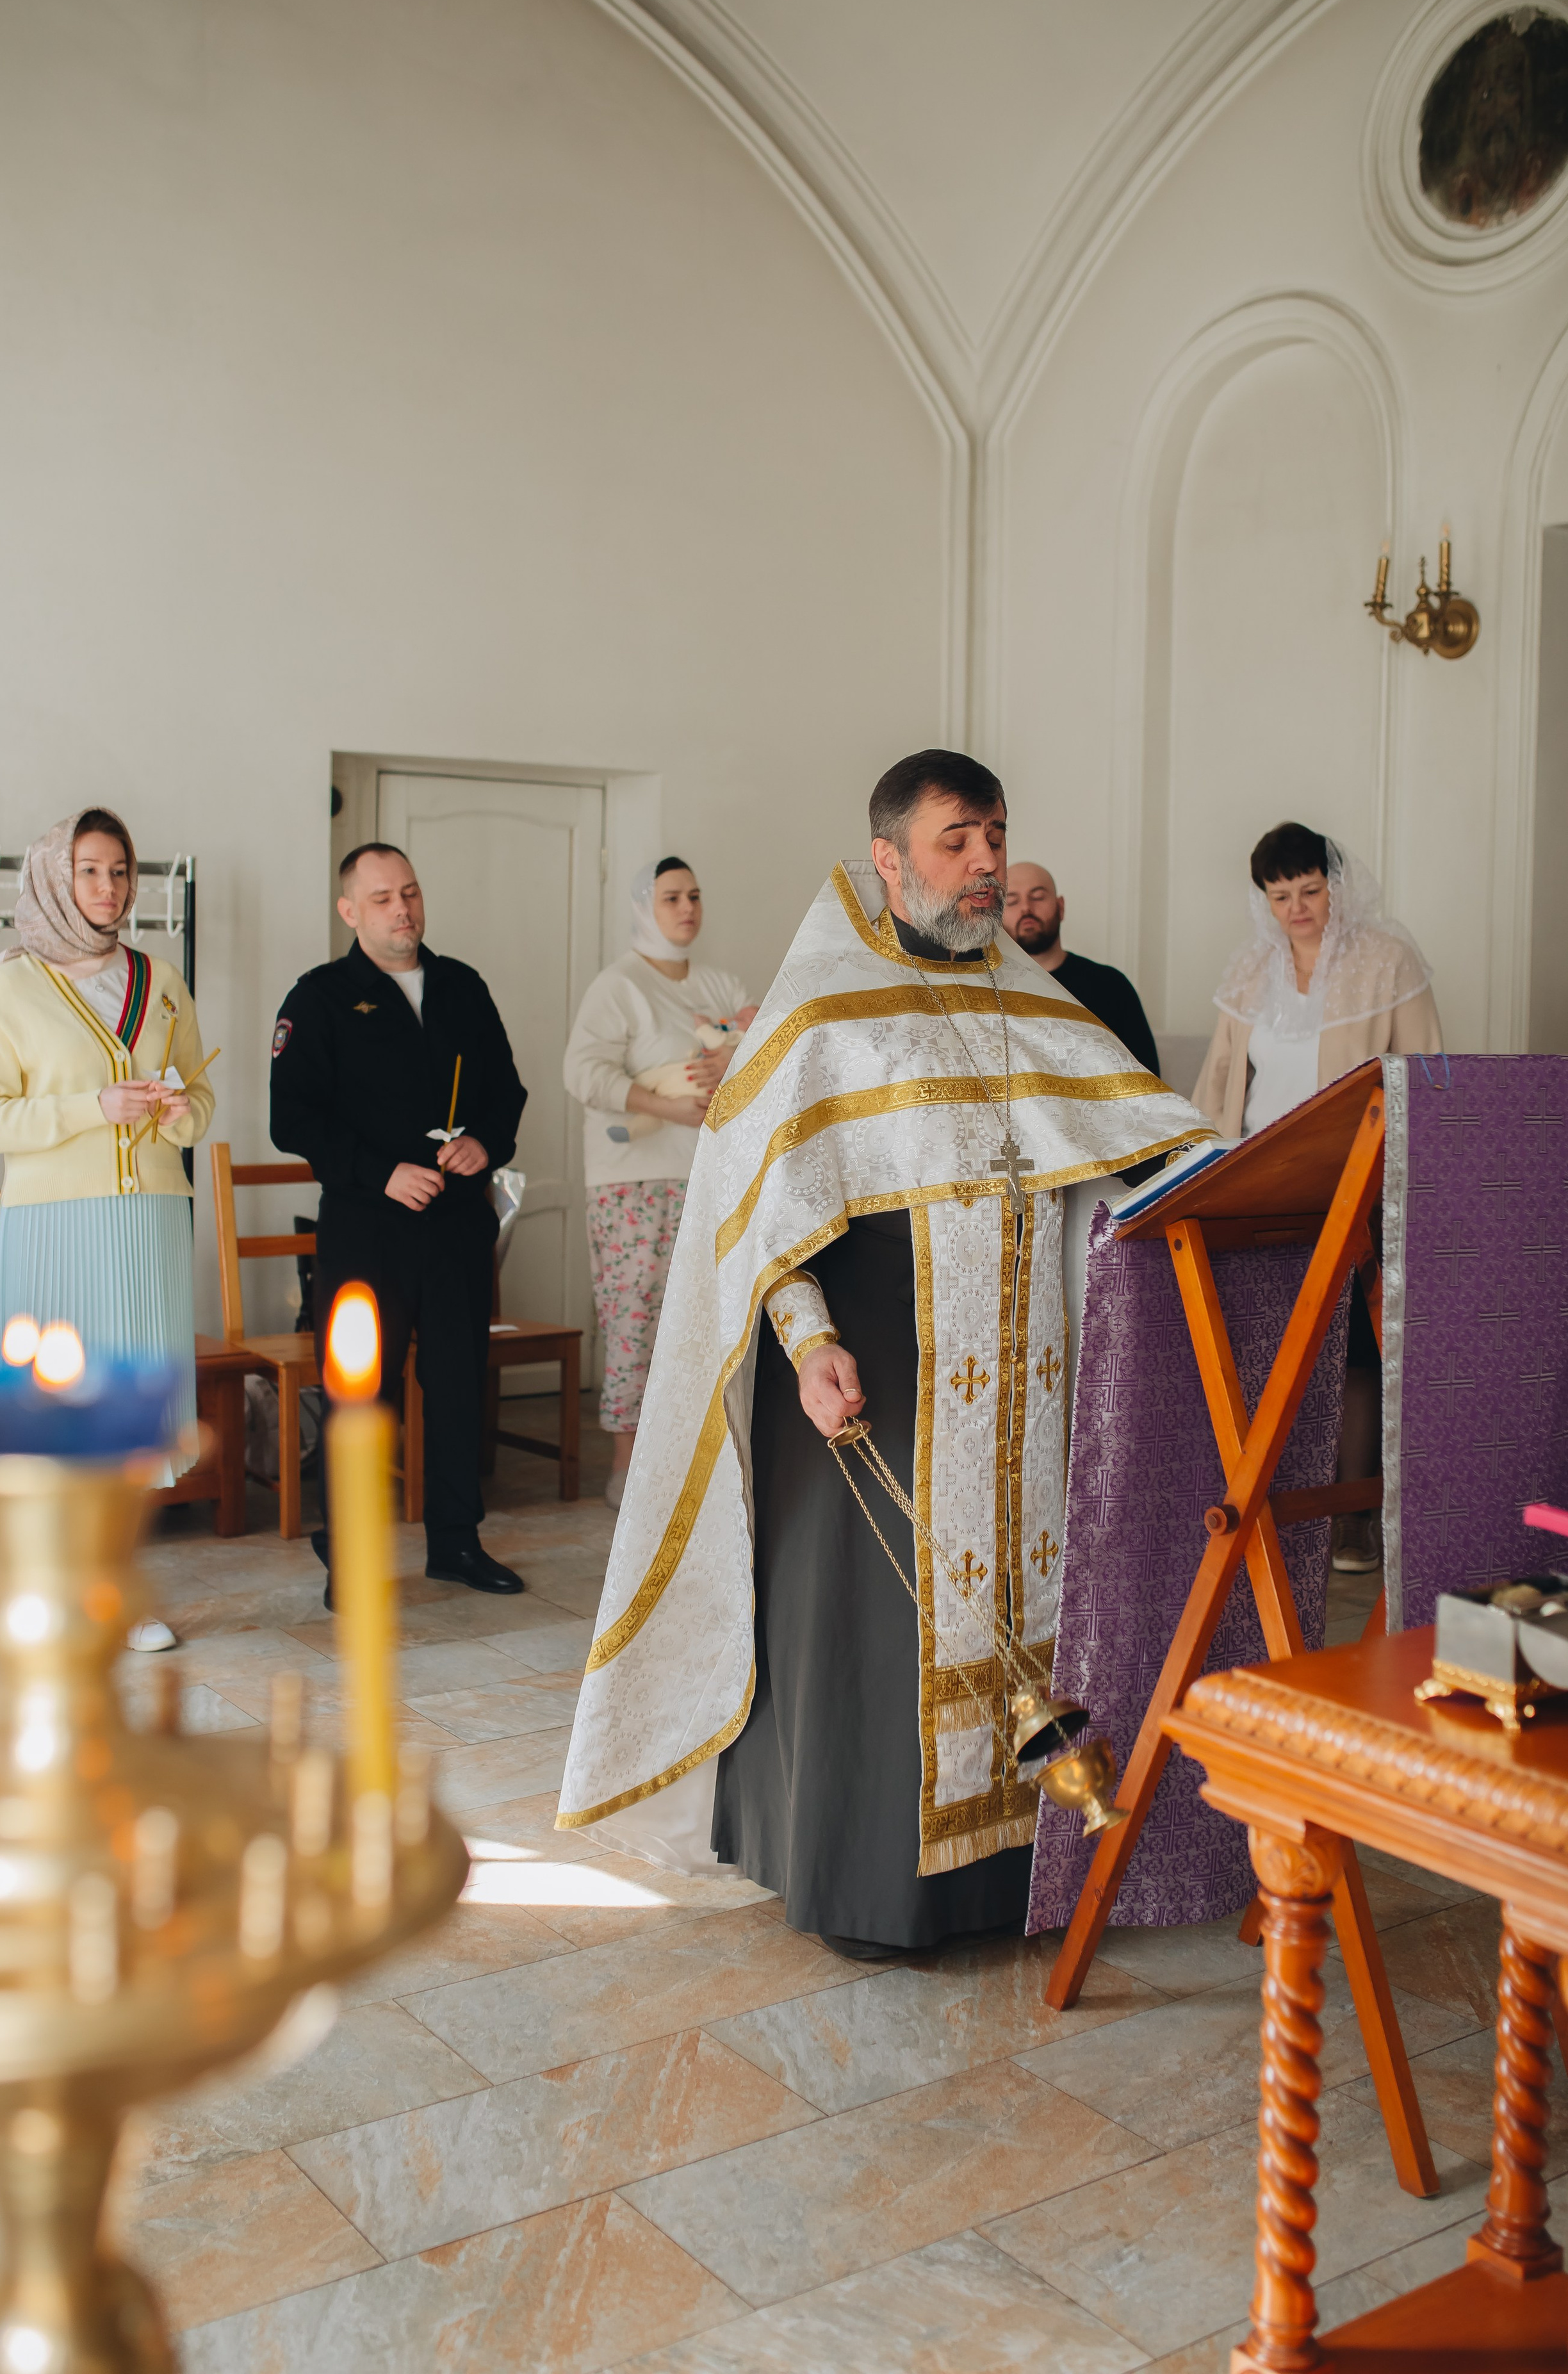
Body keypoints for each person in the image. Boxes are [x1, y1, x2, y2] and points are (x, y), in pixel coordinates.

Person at [558, 749, 1211, 1958]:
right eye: (957, 840)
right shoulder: (818, 1011)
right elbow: (753, 1219)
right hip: (875, 1381)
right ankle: (875, 1890)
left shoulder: (1031, 1002)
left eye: (995, 837)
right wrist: (806, 1348)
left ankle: (1025, 1867)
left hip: (1025, 1383)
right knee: (878, 1635)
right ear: (889, 857)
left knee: (1031, 1613)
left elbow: (1131, 1153)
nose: (984, 865)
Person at [0, 806, 215, 1653]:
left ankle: (116, 1591)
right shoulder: (13, 983)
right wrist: (92, 1108)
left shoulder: (161, 978)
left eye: (119, 871)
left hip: (148, 1223)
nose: (108, 889)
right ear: (54, 877)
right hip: (53, 1227)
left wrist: (179, 1111)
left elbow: (201, 1102)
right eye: (89, 871)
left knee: (134, 1417)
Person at [269, 843, 528, 1603]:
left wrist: (487, 1142)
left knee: (455, 1387)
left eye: (409, 892)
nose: (402, 909)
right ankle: (348, 1555)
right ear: (350, 912)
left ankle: (455, 1543)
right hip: (365, 1228)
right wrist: (379, 1173)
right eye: (381, 898)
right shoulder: (318, 997)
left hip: (454, 1227)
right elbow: (293, 1120)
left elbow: (506, 1093)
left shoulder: (462, 987)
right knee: (362, 1394)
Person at [1194, 821, 1443, 1573]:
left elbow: (1425, 1073)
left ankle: (1352, 1522)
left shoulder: (1387, 960)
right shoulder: (1249, 970)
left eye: (1309, 890)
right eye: (1280, 896)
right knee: (1272, 1347)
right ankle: (1269, 1507)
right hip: (1263, 1184)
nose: (1297, 908)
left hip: (1355, 1183)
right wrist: (1202, 1166)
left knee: (1355, 1353)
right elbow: (1218, 1081)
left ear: (1337, 884)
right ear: (1262, 901)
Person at [562, 859, 755, 1510]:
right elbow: (582, 1072)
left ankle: (696, 1467)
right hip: (635, 1182)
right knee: (636, 1319)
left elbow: (765, 1056)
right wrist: (666, 1105)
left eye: (695, 895)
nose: (688, 908)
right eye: (671, 897)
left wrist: (738, 1057)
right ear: (644, 906)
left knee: (707, 1320)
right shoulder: (619, 986)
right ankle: (627, 1468)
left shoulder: (722, 982)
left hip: (710, 1175)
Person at [1004, 861, 1160, 1077]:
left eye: (1038, 897)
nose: (1026, 909)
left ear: (1061, 907)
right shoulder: (990, 991)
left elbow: (1150, 1081)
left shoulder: (1112, 986)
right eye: (1012, 901)